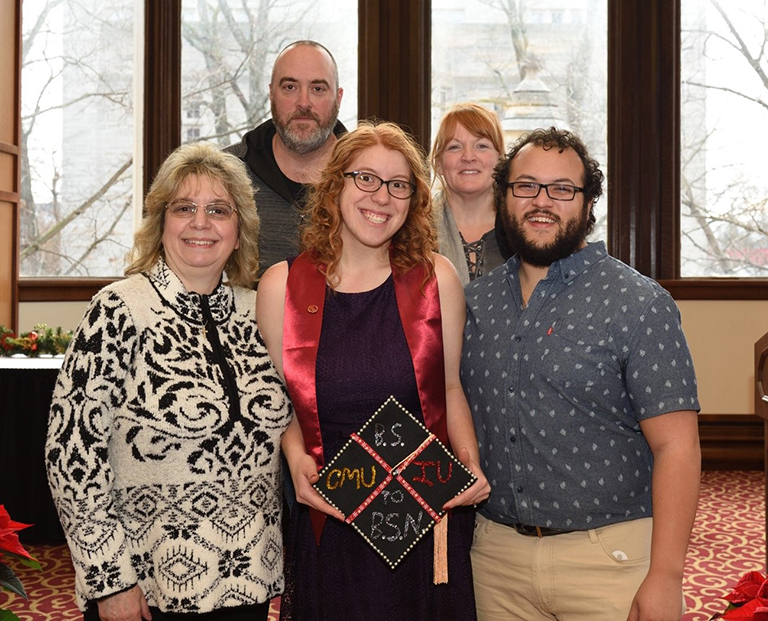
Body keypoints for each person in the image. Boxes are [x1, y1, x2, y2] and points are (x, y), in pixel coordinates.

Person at [461, 127, 701, 621]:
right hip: (495, 562)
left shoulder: (639, 303)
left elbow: (677, 446)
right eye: (526, 186)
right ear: (504, 196)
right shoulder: (473, 303)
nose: (542, 201)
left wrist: (666, 576)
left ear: (588, 202)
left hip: (610, 561)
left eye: (562, 189)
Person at [45, 143, 293, 621]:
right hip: (147, 588)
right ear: (161, 224)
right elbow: (72, 458)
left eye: (219, 210)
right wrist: (108, 581)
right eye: (185, 208)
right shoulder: (117, 310)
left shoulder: (259, 309)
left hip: (248, 583)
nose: (201, 222)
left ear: (239, 231)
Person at [256, 120, 491, 620]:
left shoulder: (435, 279)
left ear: (413, 200)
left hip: (425, 521)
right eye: (366, 178)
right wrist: (296, 457)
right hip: (331, 522)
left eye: (398, 184)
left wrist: (469, 461)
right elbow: (281, 407)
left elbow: (450, 389)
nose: (381, 197)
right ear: (336, 183)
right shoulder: (283, 287)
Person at [225, 40, 346, 275]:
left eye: (318, 89)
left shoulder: (370, 183)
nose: (303, 103)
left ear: (338, 98)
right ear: (271, 93)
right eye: (290, 87)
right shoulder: (225, 174)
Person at [430, 103, 509, 284]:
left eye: (481, 146)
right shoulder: (413, 231)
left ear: (500, 161)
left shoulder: (522, 229)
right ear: (439, 164)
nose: (468, 157)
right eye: (454, 147)